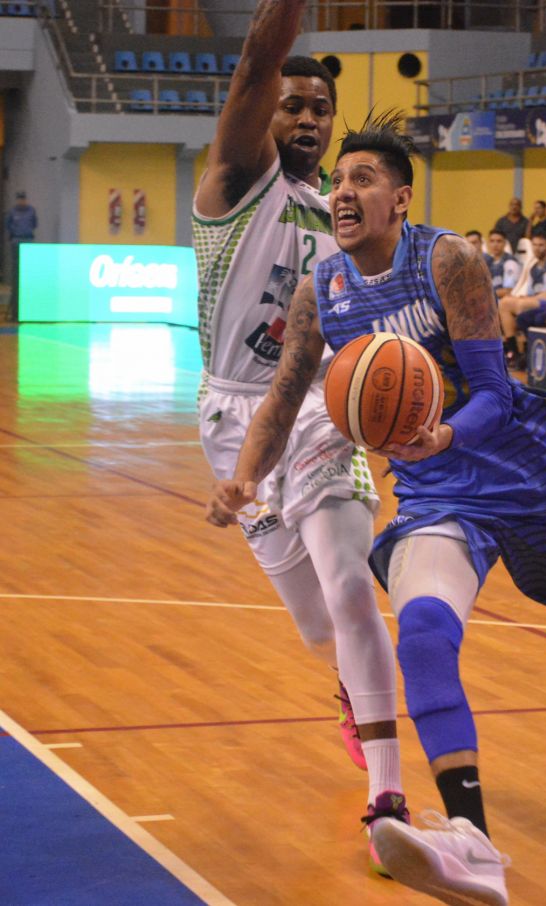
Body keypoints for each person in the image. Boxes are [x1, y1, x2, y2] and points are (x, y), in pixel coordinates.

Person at [219, 111, 546, 906]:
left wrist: (443, 431)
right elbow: (282, 394)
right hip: (437, 490)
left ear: (401, 199)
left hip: (524, 475)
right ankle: (473, 841)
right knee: (420, 633)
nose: (343, 192)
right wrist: (246, 475)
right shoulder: (322, 289)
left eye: (363, 179)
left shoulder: (447, 260)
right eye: (338, 180)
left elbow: (494, 392)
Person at [192, 0, 408, 870]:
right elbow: (257, 59)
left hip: (318, 407)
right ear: (266, 114)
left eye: (322, 108)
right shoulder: (237, 180)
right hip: (231, 417)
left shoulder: (341, 215)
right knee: (320, 628)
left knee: (349, 585)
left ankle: (388, 796)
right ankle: (351, 688)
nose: (308, 118)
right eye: (293, 105)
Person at [500, 231, 546, 367]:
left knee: (519, 306)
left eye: (541, 245)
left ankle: (522, 350)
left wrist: (529, 298)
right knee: (504, 303)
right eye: (535, 245)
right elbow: (528, 290)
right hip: (535, 299)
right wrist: (523, 297)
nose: (537, 248)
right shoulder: (532, 266)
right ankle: (514, 352)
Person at [5, 190, 37, 320]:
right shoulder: (12, 212)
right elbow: (8, 225)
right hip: (16, 241)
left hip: (28, 240)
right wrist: (15, 233)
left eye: (23, 199)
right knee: (16, 271)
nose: (21, 201)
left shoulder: (31, 211)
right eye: (19, 199)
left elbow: (34, 224)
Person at [483, 229, 521, 301]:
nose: (495, 245)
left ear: (505, 243)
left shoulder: (510, 262)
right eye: (492, 241)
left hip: (504, 302)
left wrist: (485, 295)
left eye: (499, 241)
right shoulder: (487, 261)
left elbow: (509, 290)